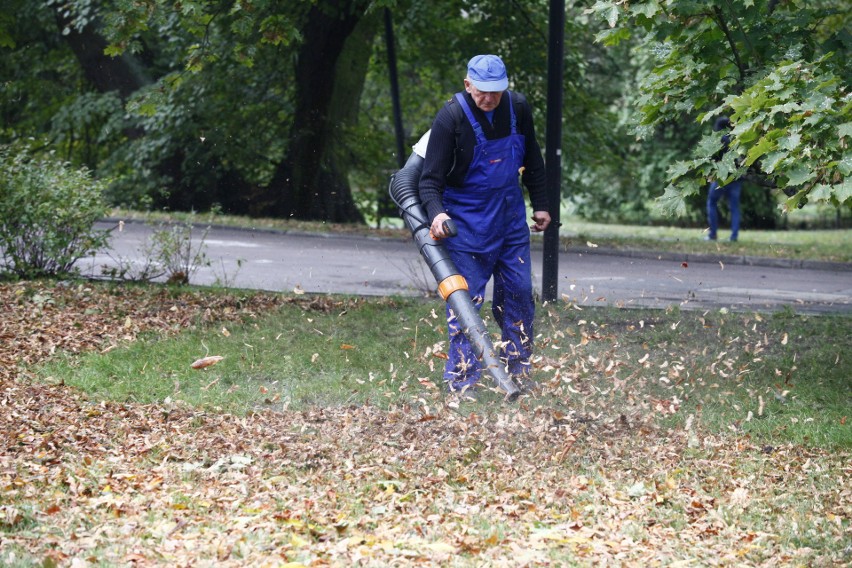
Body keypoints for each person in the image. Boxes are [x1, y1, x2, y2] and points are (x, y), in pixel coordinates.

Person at [418, 54, 550, 394]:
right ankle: (463, 381)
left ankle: (518, 372)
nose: (489, 98)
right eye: (482, 92)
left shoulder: (518, 108)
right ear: (467, 84)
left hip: (509, 219)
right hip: (466, 222)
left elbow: (533, 159)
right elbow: (429, 180)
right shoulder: (451, 118)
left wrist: (542, 204)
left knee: (519, 294)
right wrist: (437, 214)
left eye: (496, 91)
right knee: (466, 302)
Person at [705, 116, 743, 242]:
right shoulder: (738, 140)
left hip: (720, 178)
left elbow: (711, 160)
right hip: (735, 178)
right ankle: (734, 236)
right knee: (734, 208)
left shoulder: (717, 141)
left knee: (712, 202)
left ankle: (713, 234)